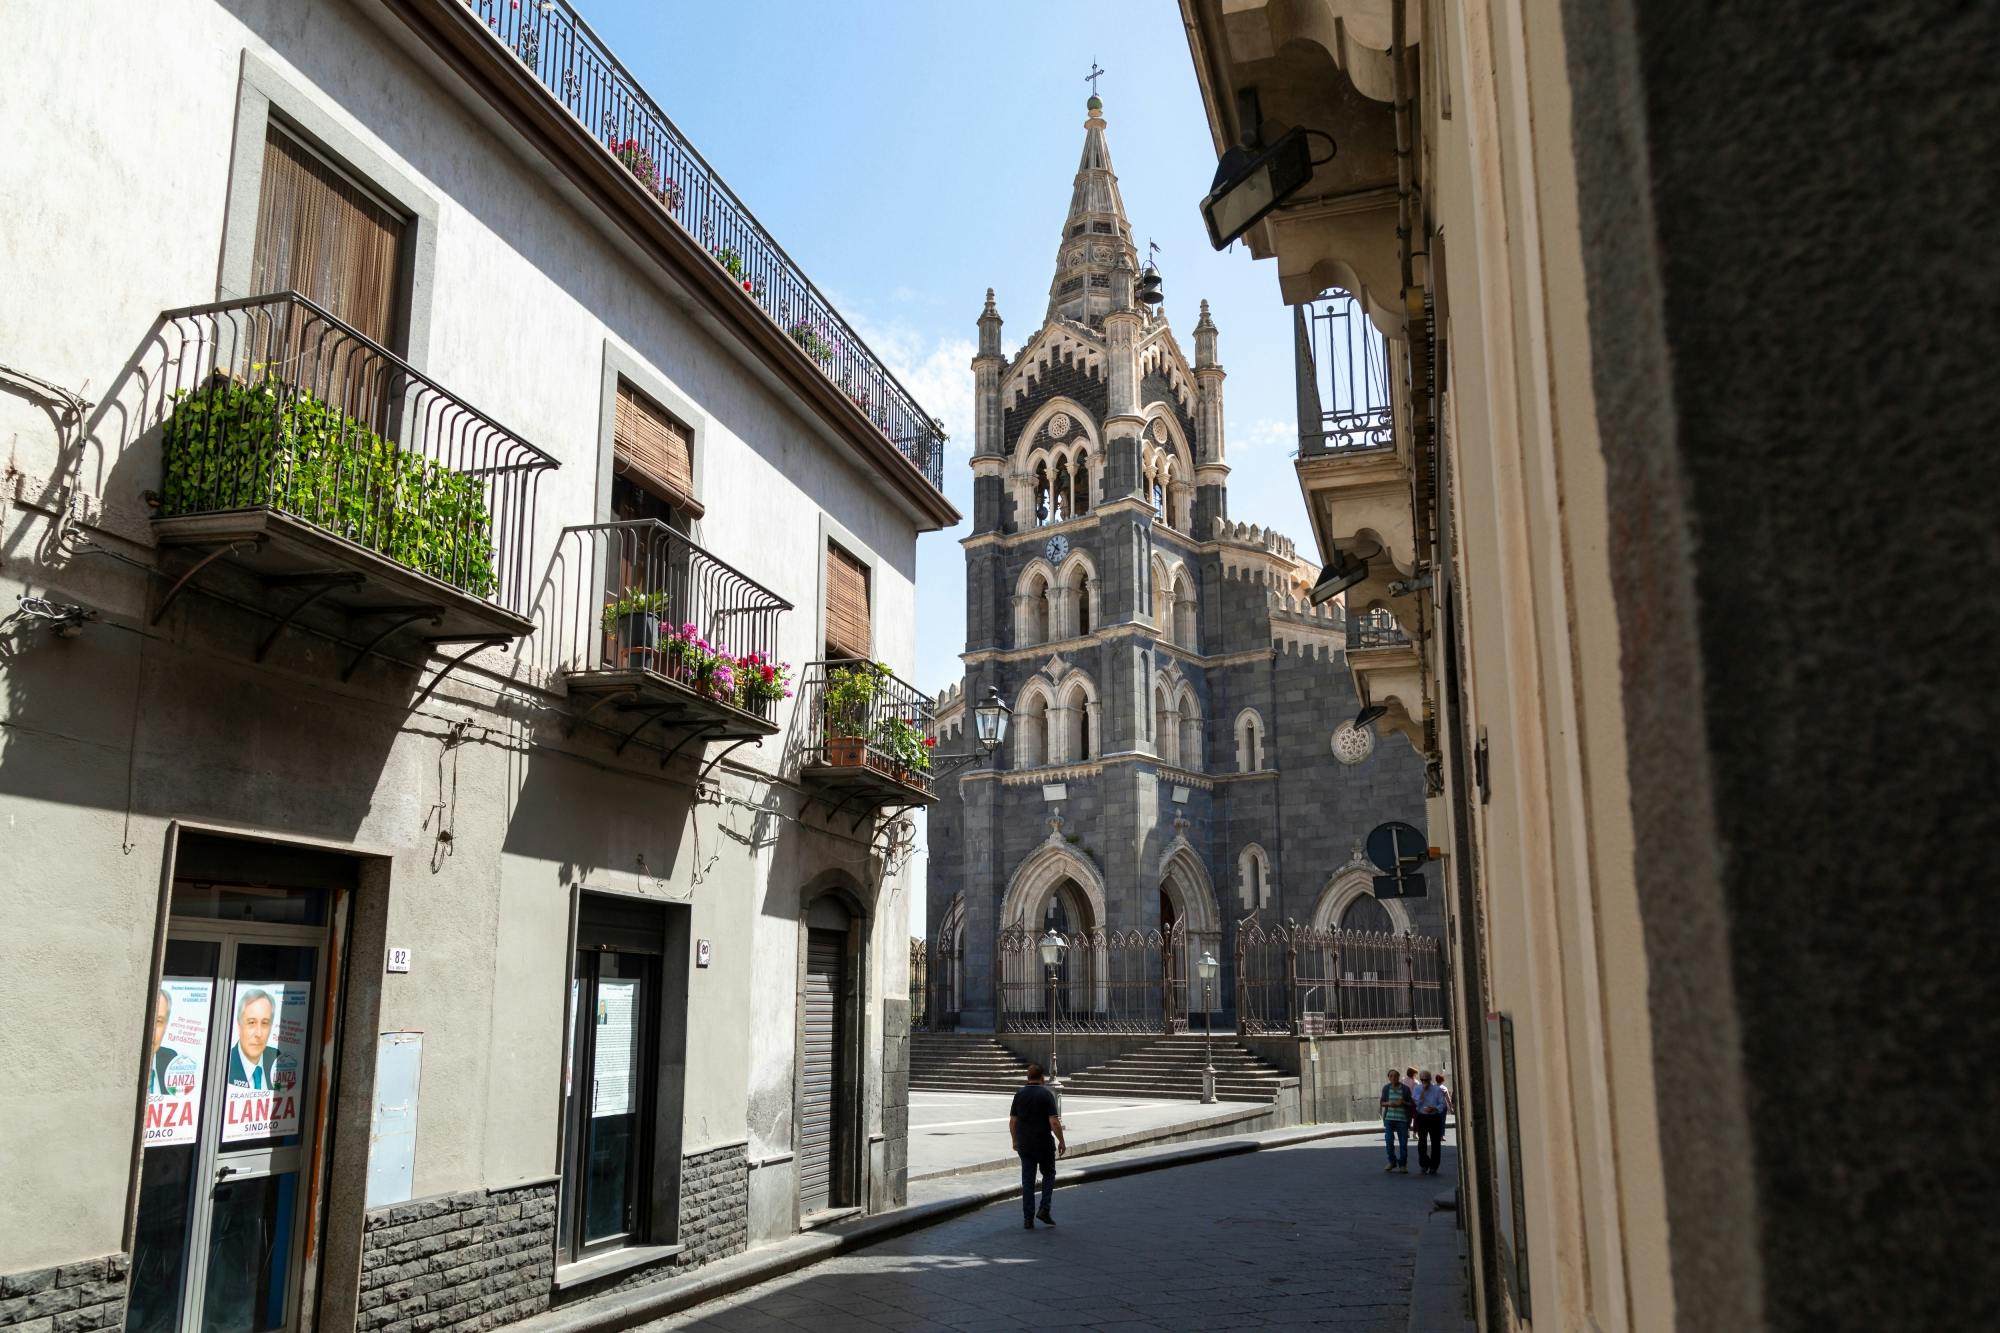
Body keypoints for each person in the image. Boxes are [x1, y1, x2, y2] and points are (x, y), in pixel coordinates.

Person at [1009, 1062, 1066, 1229]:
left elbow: (1012, 1122)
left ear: (1028, 1077)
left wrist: (1014, 1140)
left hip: (1025, 1144)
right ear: (1042, 1078)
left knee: (1028, 1180)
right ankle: (1044, 1209)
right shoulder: (1046, 1094)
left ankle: (1028, 1219)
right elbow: (1054, 1122)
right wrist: (1061, 1141)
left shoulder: (1019, 1094)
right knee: (1049, 1174)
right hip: (1043, 1143)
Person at [227, 988, 280, 1089]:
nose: (258, 1033)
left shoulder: (278, 1059)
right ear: (239, 1025)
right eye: (251, 1022)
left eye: (265, 1023)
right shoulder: (225, 1064)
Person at [1413, 1069, 1448, 1174]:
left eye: (1426, 1080)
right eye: (1422, 1080)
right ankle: (1424, 1164)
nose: (1424, 1082)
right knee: (1422, 1142)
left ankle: (1434, 1166)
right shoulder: (1417, 1088)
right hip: (1422, 1117)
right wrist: (1422, 1094)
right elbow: (1416, 1103)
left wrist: (1435, 1108)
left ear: (1430, 1079)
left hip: (1434, 1117)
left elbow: (1442, 1104)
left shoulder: (1437, 1090)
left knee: (1435, 1143)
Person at [1380, 1067, 1414, 1172]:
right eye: (1391, 1076)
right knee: (1389, 1141)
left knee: (1403, 1143)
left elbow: (1411, 1104)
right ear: (1389, 1078)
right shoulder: (1386, 1088)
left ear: (1399, 1077)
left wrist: (1403, 1102)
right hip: (1389, 1119)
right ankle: (1392, 1162)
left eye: (1395, 1076)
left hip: (1402, 1119)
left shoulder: (1405, 1089)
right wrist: (1389, 1103)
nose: (1393, 1077)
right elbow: (1382, 1102)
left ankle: (1403, 1164)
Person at [147, 988, 178, 1095]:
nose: (151, 1031)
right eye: (145, 1020)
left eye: (158, 1022)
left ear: (166, 1027)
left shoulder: (171, 1060)